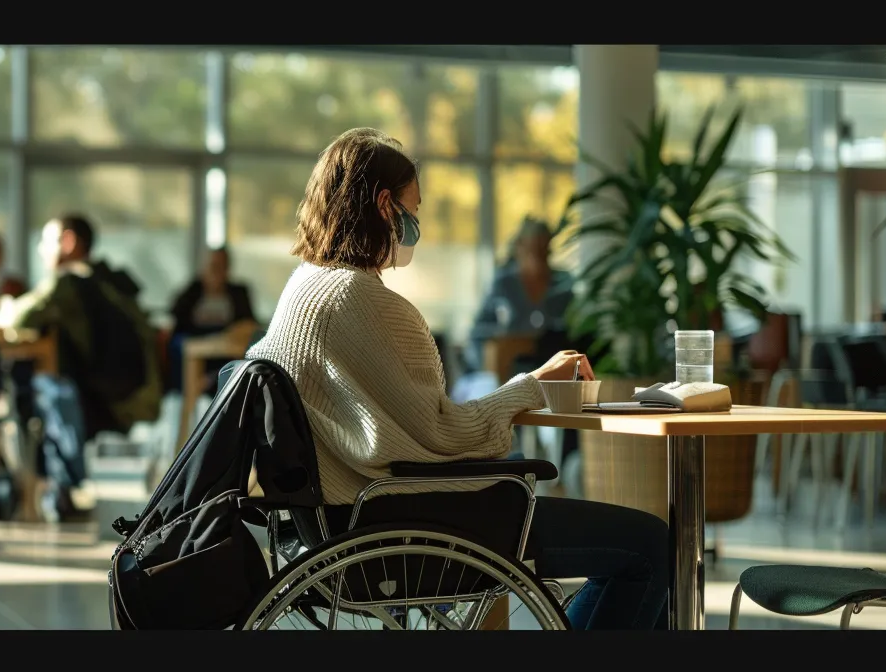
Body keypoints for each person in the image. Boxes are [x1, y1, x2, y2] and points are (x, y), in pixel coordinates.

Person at [246, 128, 669, 630]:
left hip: (330, 529)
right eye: (415, 209)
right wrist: (530, 386)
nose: (416, 226)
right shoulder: (365, 303)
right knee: (651, 545)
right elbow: (444, 434)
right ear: (386, 206)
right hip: (404, 525)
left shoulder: (303, 287)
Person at [1, 213, 161, 517]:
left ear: (69, 242)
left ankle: (40, 491)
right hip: (130, 389)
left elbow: (20, 318)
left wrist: (4, 307)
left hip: (92, 393)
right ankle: (58, 490)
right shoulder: (111, 278)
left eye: (46, 241)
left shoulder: (69, 281)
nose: (40, 249)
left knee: (32, 386)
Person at [469, 216, 577, 373]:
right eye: (532, 248)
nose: (538, 256)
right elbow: (478, 334)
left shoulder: (563, 284)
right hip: (507, 372)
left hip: (554, 372)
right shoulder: (503, 284)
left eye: (543, 250)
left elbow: (576, 333)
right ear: (519, 247)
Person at [168, 247, 257, 395]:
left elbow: (248, 323)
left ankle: (220, 385)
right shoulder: (192, 291)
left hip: (226, 340)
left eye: (221, 266)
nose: (216, 272)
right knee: (179, 345)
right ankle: (189, 389)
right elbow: (175, 317)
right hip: (194, 338)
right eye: (213, 266)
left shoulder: (239, 292)